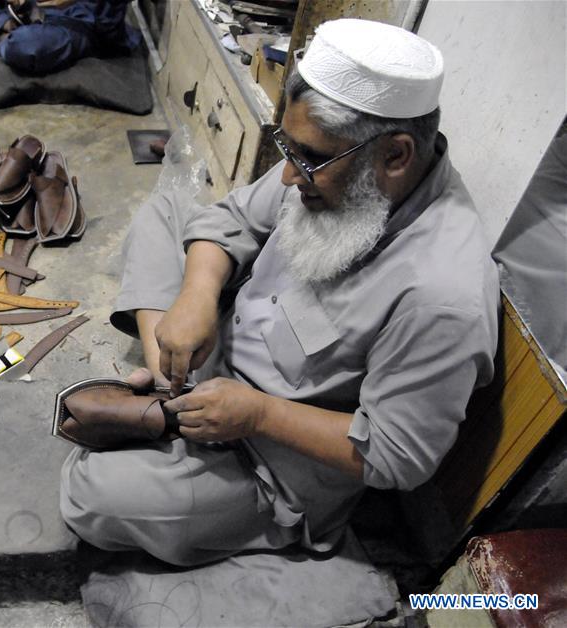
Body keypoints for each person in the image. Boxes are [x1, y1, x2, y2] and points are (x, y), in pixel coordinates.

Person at [60, 18, 500, 566]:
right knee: (167, 212)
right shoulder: (331, 162)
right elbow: (230, 220)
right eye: (287, 150)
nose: (289, 178)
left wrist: (259, 416)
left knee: (91, 496)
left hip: (267, 456)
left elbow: (397, 455)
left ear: (395, 155)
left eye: (307, 159)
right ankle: (171, 368)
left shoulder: (442, 295)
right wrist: (196, 298)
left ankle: (172, 394)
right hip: (227, 353)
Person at [0, 0, 140, 75]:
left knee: (26, 46)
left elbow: (109, 20)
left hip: (83, 21)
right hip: (33, 7)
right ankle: (5, 24)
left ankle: (0, 34)